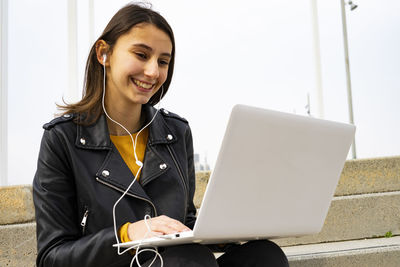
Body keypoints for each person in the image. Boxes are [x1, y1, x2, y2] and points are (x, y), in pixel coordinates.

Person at [33, 3, 289, 267]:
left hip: (180, 262)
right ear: (104, 53)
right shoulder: (62, 139)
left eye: (163, 61)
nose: (153, 72)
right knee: (189, 260)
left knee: (264, 255)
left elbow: (183, 223)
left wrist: (224, 231)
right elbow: (52, 257)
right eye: (141, 55)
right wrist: (127, 234)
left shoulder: (176, 133)